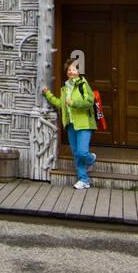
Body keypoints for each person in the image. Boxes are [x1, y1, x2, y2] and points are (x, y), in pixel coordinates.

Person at [42, 60, 97, 189]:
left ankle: (91, 159)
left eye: (74, 69)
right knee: (77, 153)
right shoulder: (65, 88)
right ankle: (84, 179)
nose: (71, 72)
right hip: (71, 124)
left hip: (84, 123)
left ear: (79, 71)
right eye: (69, 70)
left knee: (82, 152)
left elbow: (89, 101)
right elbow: (60, 103)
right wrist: (48, 94)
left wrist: (73, 103)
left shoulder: (83, 84)